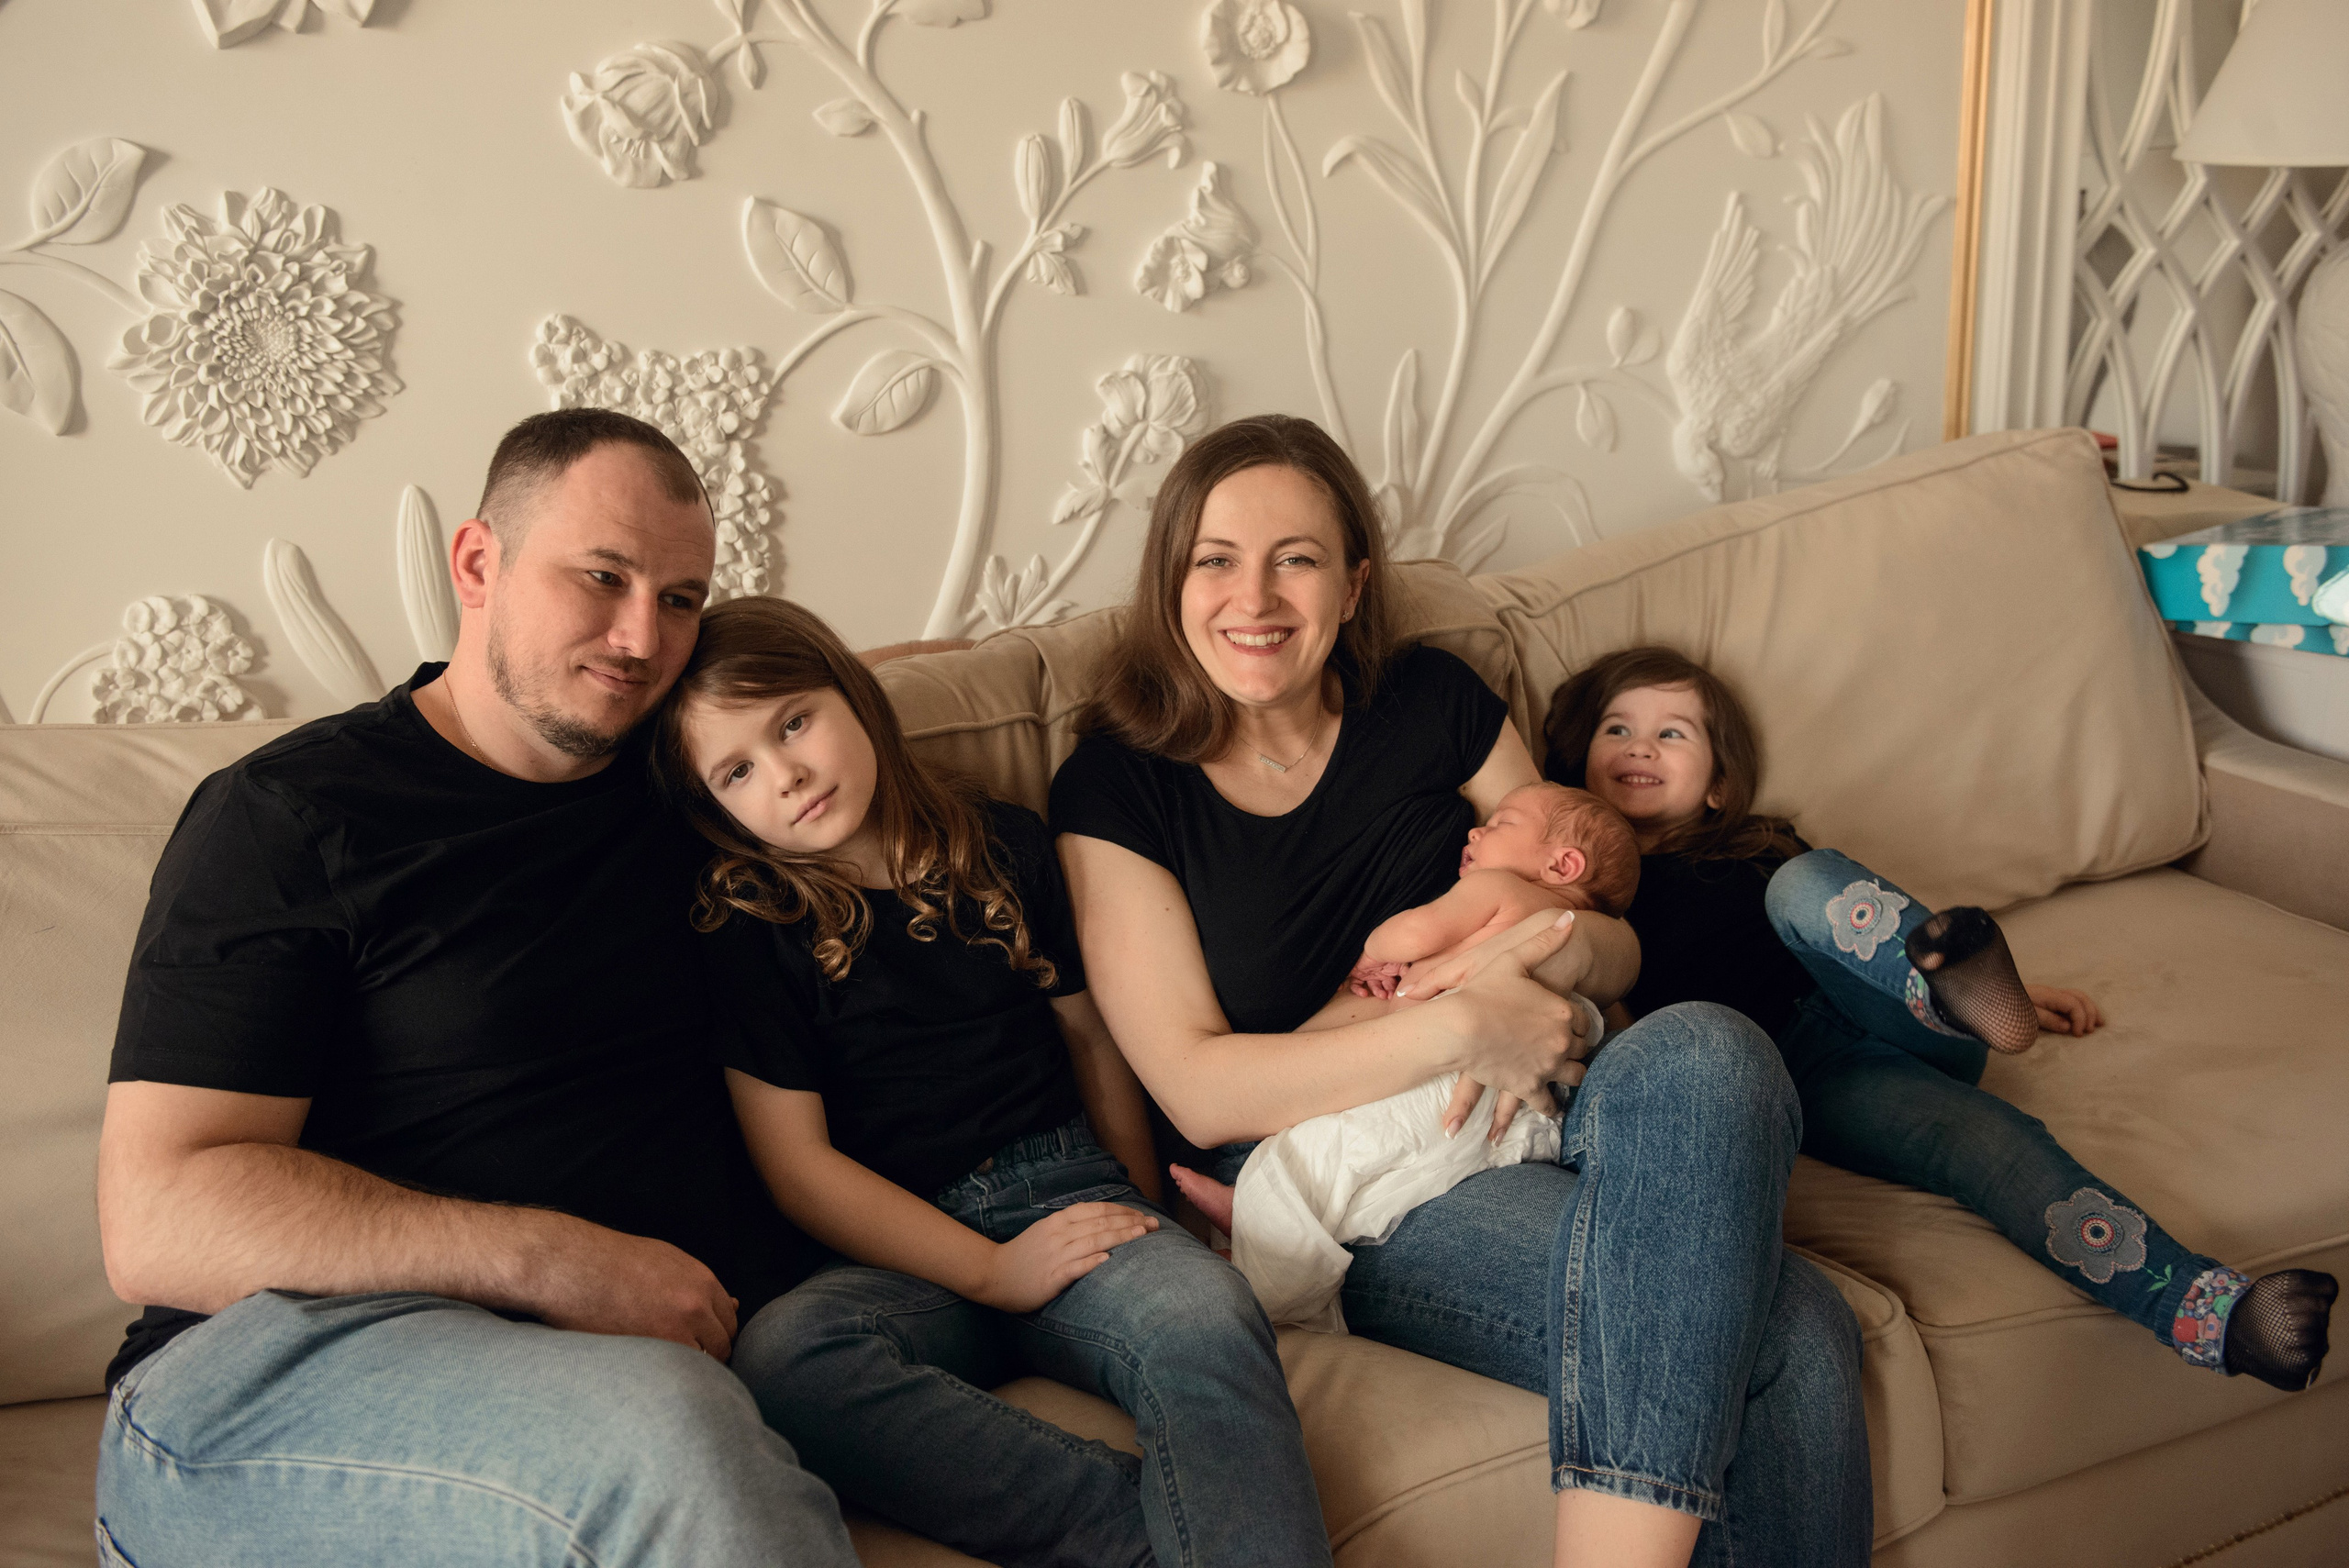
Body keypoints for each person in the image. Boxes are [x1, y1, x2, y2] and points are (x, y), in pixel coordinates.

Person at [1050, 414, 1873, 1568]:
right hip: (1353, 1148)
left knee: (1713, 1045)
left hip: (1550, 1068)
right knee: (1793, 1329)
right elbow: (1195, 1089)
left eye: (1296, 557)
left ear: (1352, 583)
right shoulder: (1115, 786)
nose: (1256, 596)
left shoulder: (1433, 699)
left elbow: (1602, 917)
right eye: (1214, 559)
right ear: (1171, 581)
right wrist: (1457, 1020)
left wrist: (1540, 972)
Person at [94, 410, 856, 1566]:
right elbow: (158, 1214)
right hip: (264, 1382)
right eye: (601, 576)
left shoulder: (695, 782)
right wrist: (550, 1259)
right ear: (477, 562)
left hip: (603, 1383)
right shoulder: (293, 817)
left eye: (683, 597)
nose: (641, 634)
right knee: (671, 1435)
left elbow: (854, 705)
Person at [656, 596, 1330, 1568]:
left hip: (1064, 1185)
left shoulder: (1002, 841)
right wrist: (986, 1270)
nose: (787, 773)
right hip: (897, 1244)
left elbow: (1094, 1042)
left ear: (854, 694)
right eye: (738, 770)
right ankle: (1159, 1537)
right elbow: (798, 1166)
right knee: (786, 1359)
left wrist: (1137, 1204)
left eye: (794, 721)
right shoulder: (750, 924)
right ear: (714, 806)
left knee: (1205, 1314)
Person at [1542, 644, 2338, 1394]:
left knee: (1805, 882)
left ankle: (1962, 994)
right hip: (1806, 1069)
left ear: (1719, 781)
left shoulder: (1758, 846)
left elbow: (1856, 923)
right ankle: (2212, 1312)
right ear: (1580, 758)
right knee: (1990, 1143)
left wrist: (2007, 987)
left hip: (1887, 1002)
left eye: (1670, 732)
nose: (1640, 746)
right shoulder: (1592, 898)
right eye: (1618, 728)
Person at [1168, 784, 1640, 1333]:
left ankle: (1262, 1214)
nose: (1476, 830)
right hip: (1526, 1101)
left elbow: (1415, 931)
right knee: (1410, 1172)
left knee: (1347, 1146)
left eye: (1501, 823)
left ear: (1563, 863)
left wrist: (1375, 952)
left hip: (1439, 1075)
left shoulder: (1497, 886)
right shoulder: (1554, 913)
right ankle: (1282, 1237)